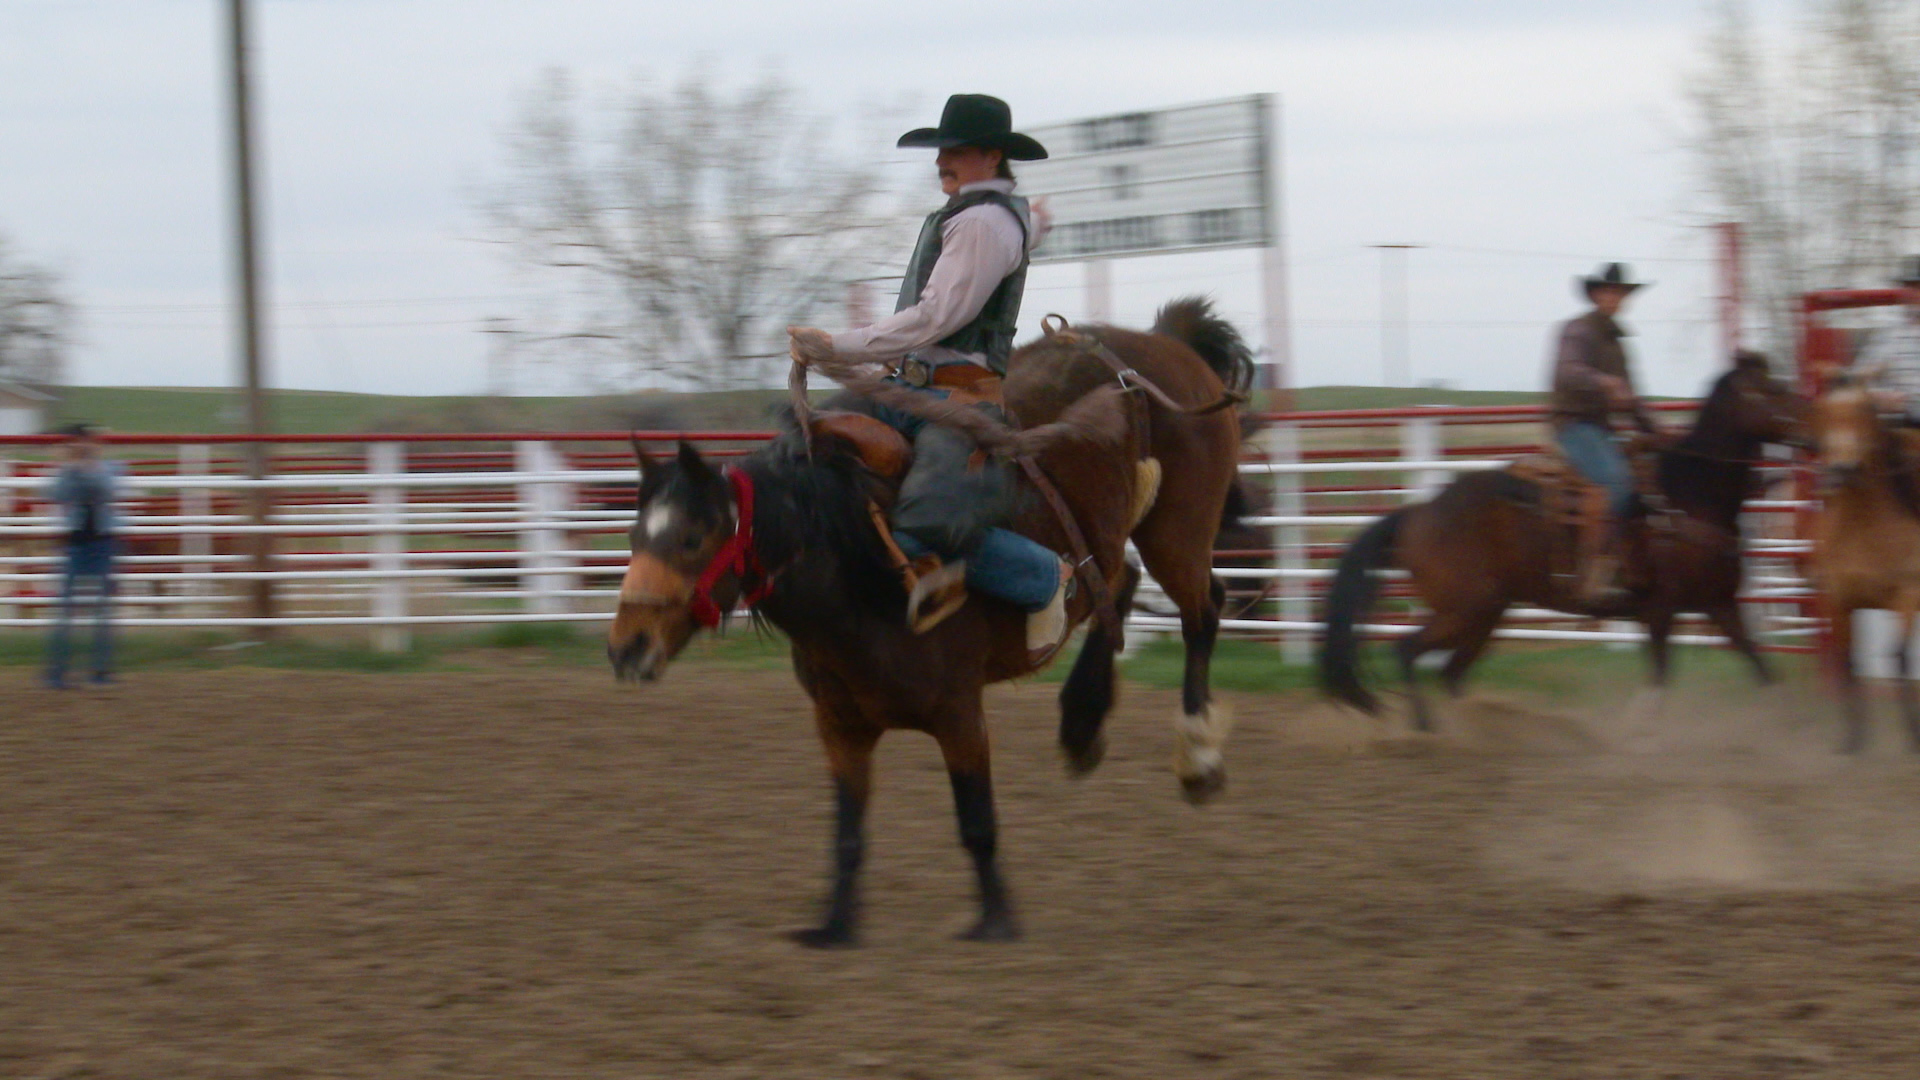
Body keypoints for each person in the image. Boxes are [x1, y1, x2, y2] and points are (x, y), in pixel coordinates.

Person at [788, 93, 1070, 652]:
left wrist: (836, 347)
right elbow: (1015, 240)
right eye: (941, 149)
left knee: (928, 526)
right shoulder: (986, 216)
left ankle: (1045, 576)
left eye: (956, 151)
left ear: (991, 156)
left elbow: (938, 317)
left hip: (959, 400)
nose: (943, 160)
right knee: (801, 451)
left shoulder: (982, 224)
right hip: (911, 388)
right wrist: (1037, 222)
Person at [1548, 262, 1657, 605]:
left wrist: (1656, 431)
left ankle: (1633, 564)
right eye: (1608, 292)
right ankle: (1593, 573)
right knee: (1616, 481)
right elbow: (1568, 372)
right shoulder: (1577, 331)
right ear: (1596, 295)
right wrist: (1603, 382)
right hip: (1575, 424)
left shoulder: (1618, 341)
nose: (1614, 298)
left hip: (1601, 428)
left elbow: (1631, 393)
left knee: (1651, 477)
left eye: (1619, 293)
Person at [44, 422, 121, 688]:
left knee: (101, 610)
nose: (85, 445)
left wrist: (83, 468)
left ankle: (98, 671)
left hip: (101, 543)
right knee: (66, 610)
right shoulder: (67, 470)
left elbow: (106, 490)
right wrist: (71, 468)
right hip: (77, 543)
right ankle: (57, 672)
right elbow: (56, 494)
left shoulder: (110, 468)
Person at [1860, 255, 1920, 421]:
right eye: (1910, 288)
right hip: (1901, 429)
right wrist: (1877, 395)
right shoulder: (1889, 335)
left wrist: (1910, 403)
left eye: (1918, 288)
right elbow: (1860, 380)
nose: (1914, 295)